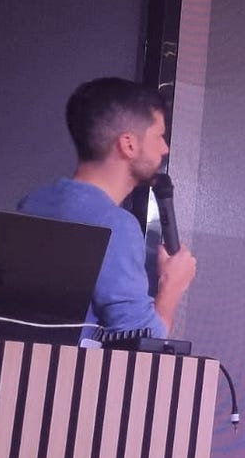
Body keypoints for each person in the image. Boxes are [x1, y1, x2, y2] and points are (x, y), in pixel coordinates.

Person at [19, 77, 196, 338]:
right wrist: (172, 286)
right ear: (128, 144)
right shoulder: (115, 225)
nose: (165, 148)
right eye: (159, 136)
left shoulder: (34, 202)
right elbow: (140, 338)